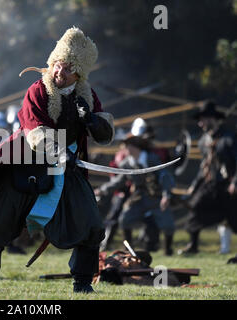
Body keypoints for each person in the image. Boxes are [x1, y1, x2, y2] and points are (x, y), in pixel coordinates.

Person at [0, 27, 114, 293]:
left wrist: (92, 120)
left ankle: (82, 283)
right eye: (58, 64)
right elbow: (34, 129)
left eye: (68, 68)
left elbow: (104, 134)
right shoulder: (38, 90)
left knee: (90, 223)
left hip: (68, 170)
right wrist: (59, 152)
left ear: (79, 73)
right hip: (28, 164)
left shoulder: (88, 97)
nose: (60, 71)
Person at [95, 134, 176, 255]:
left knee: (168, 224)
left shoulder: (152, 159)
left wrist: (166, 196)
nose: (125, 149)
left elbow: (165, 177)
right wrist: (102, 189)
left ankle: (168, 250)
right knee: (124, 219)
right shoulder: (126, 163)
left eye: (127, 146)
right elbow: (119, 181)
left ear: (134, 147)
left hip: (156, 197)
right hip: (138, 198)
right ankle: (128, 249)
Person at [178, 101, 236, 255]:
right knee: (195, 207)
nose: (200, 123)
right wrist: (194, 185)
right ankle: (193, 245)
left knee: (234, 219)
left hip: (228, 186)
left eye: (202, 119)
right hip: (210, 185)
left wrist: (235, 182)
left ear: (212, 119)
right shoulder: (204, 141)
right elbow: (204, 166)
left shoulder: (229, 138)